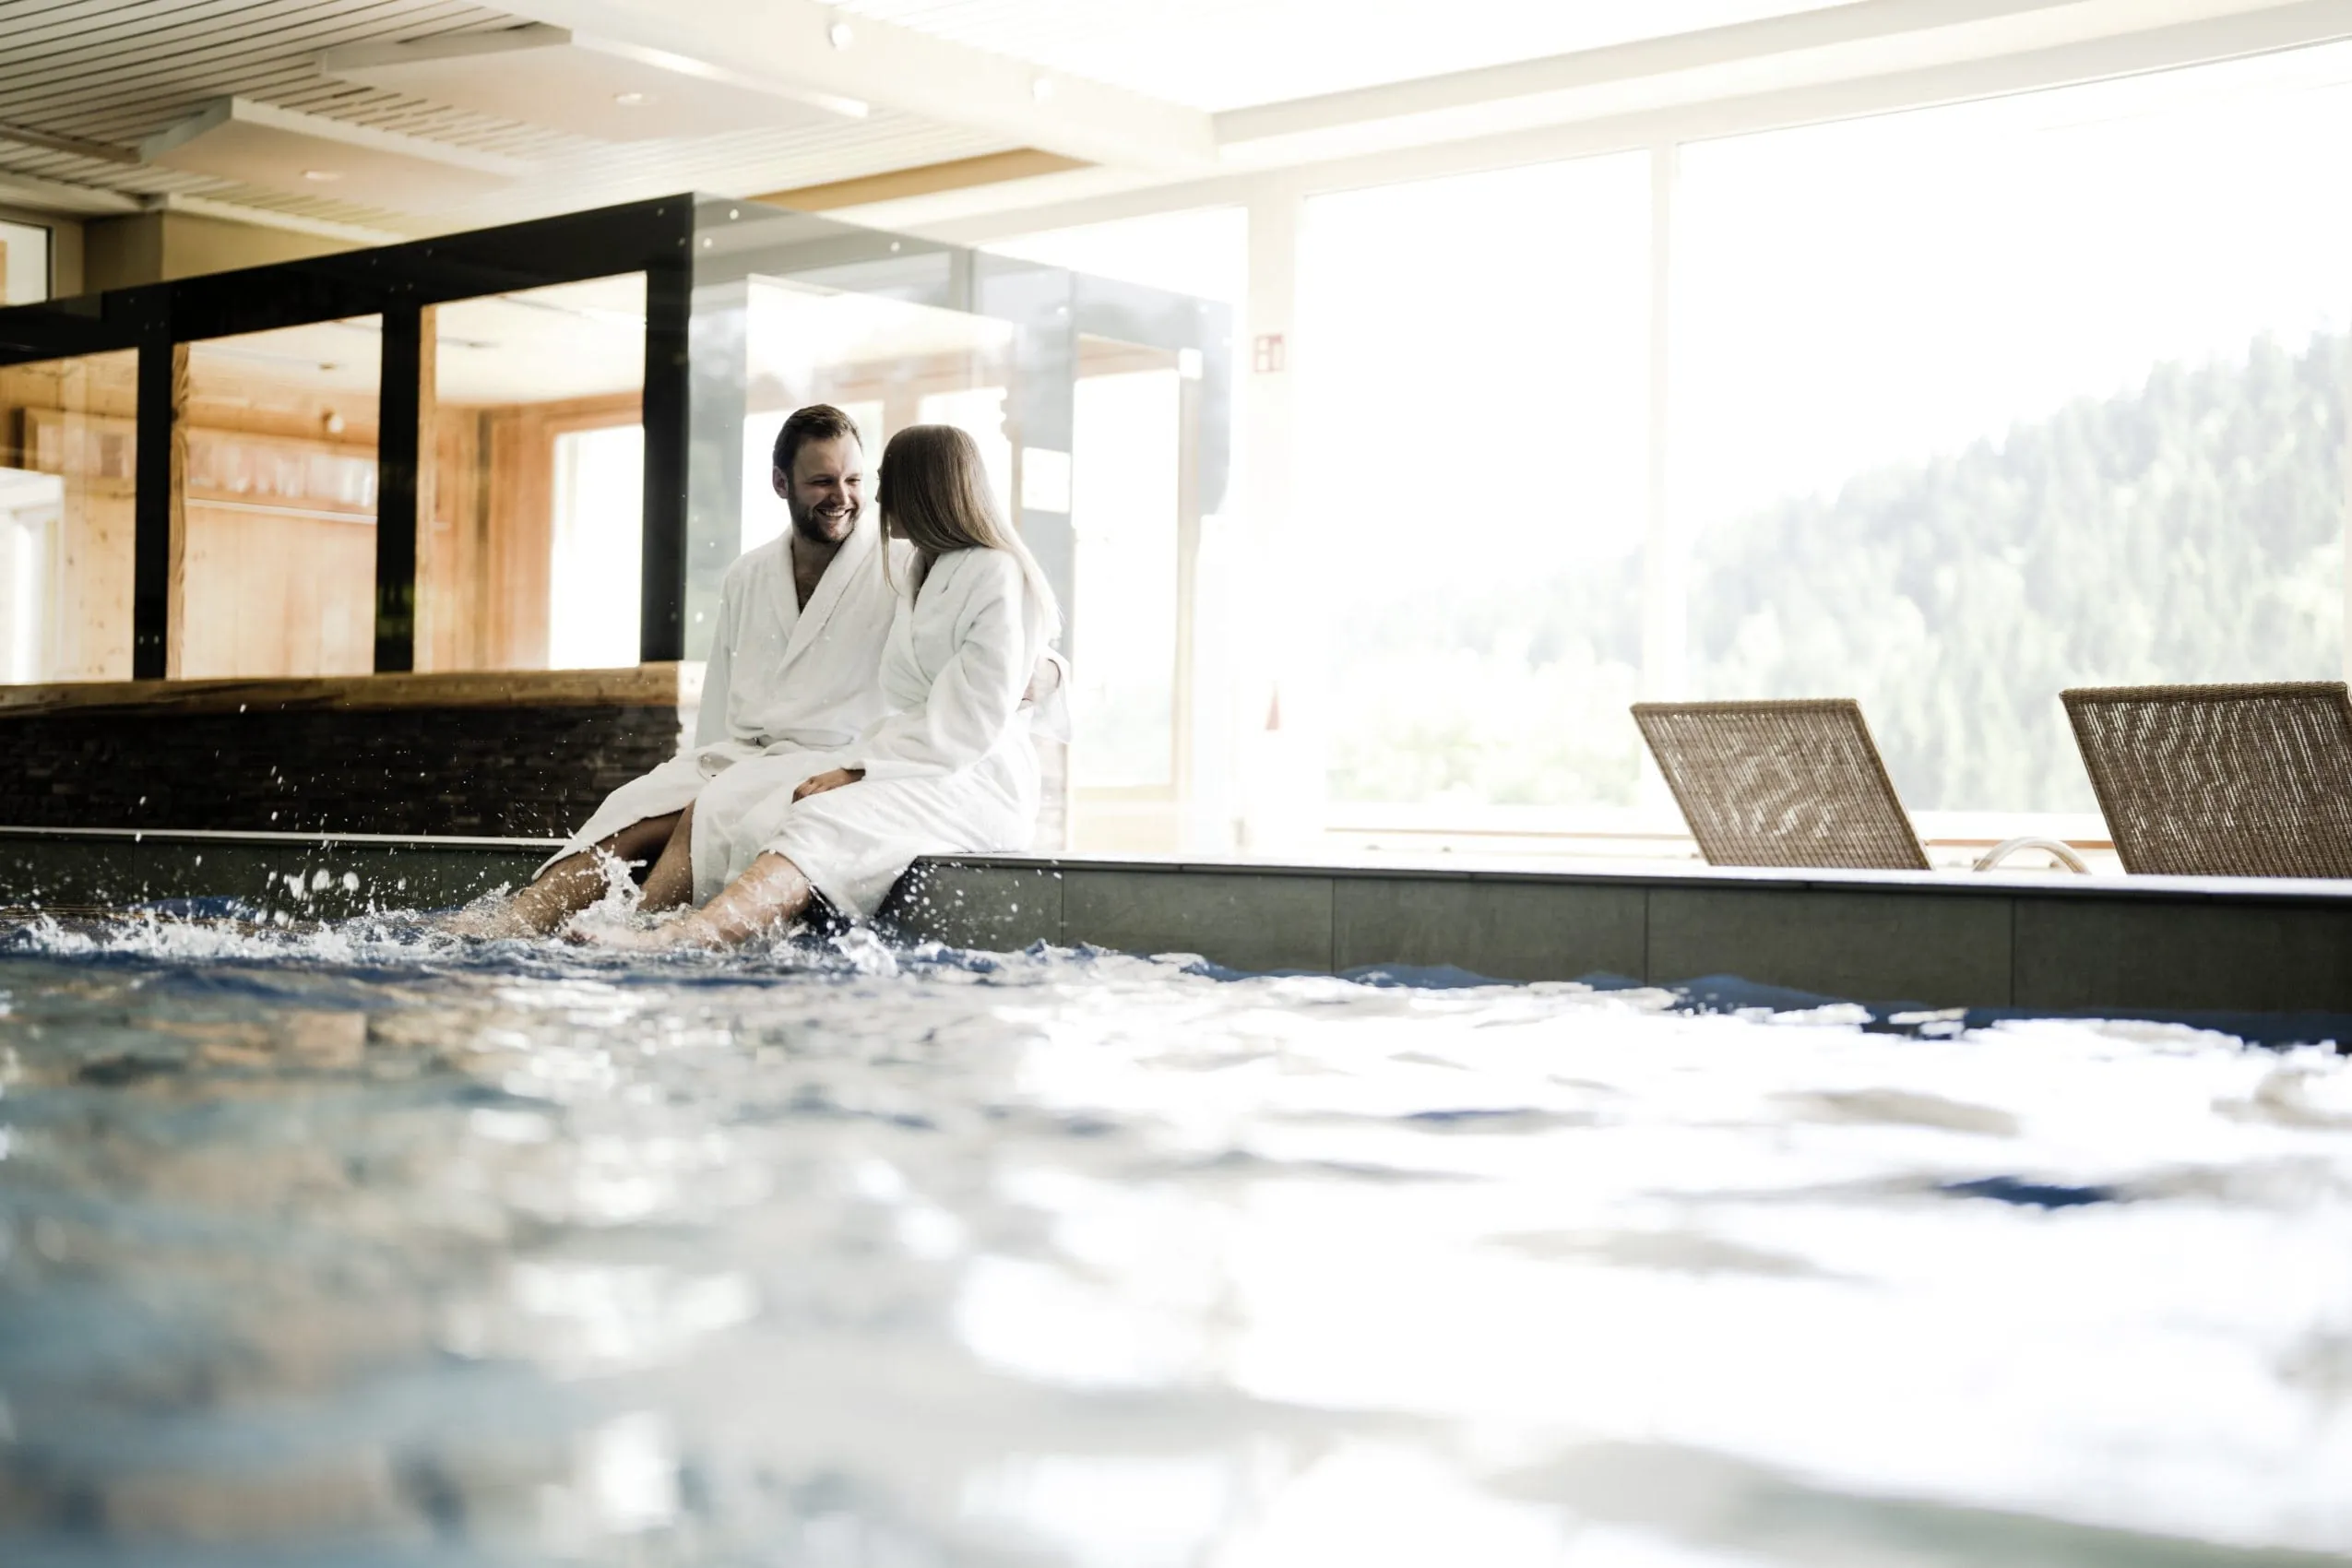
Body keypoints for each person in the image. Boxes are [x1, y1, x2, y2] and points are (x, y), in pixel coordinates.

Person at [574, 423, 1060, 951]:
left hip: (974, 776)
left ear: (924, 487)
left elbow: (971, 722)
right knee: (731, 803)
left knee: (820, 818)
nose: (875, 496)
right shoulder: (919, 568)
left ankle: (693, 936)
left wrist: (856, 766)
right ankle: (644, 925)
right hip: (916, 762)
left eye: (878, 480)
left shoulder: (995, 573)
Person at [448, 404, 909, 937]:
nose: (842, 496)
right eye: (822, 481)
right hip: (749, 752)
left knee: (711, 808)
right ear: (781, 483)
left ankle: (636, 927)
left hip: (829, 758)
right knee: (635, 804)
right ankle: (519, 919)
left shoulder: (896, 565)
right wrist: (695, 769)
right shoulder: (750, 574)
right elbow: (720, 694)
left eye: (854, 479)